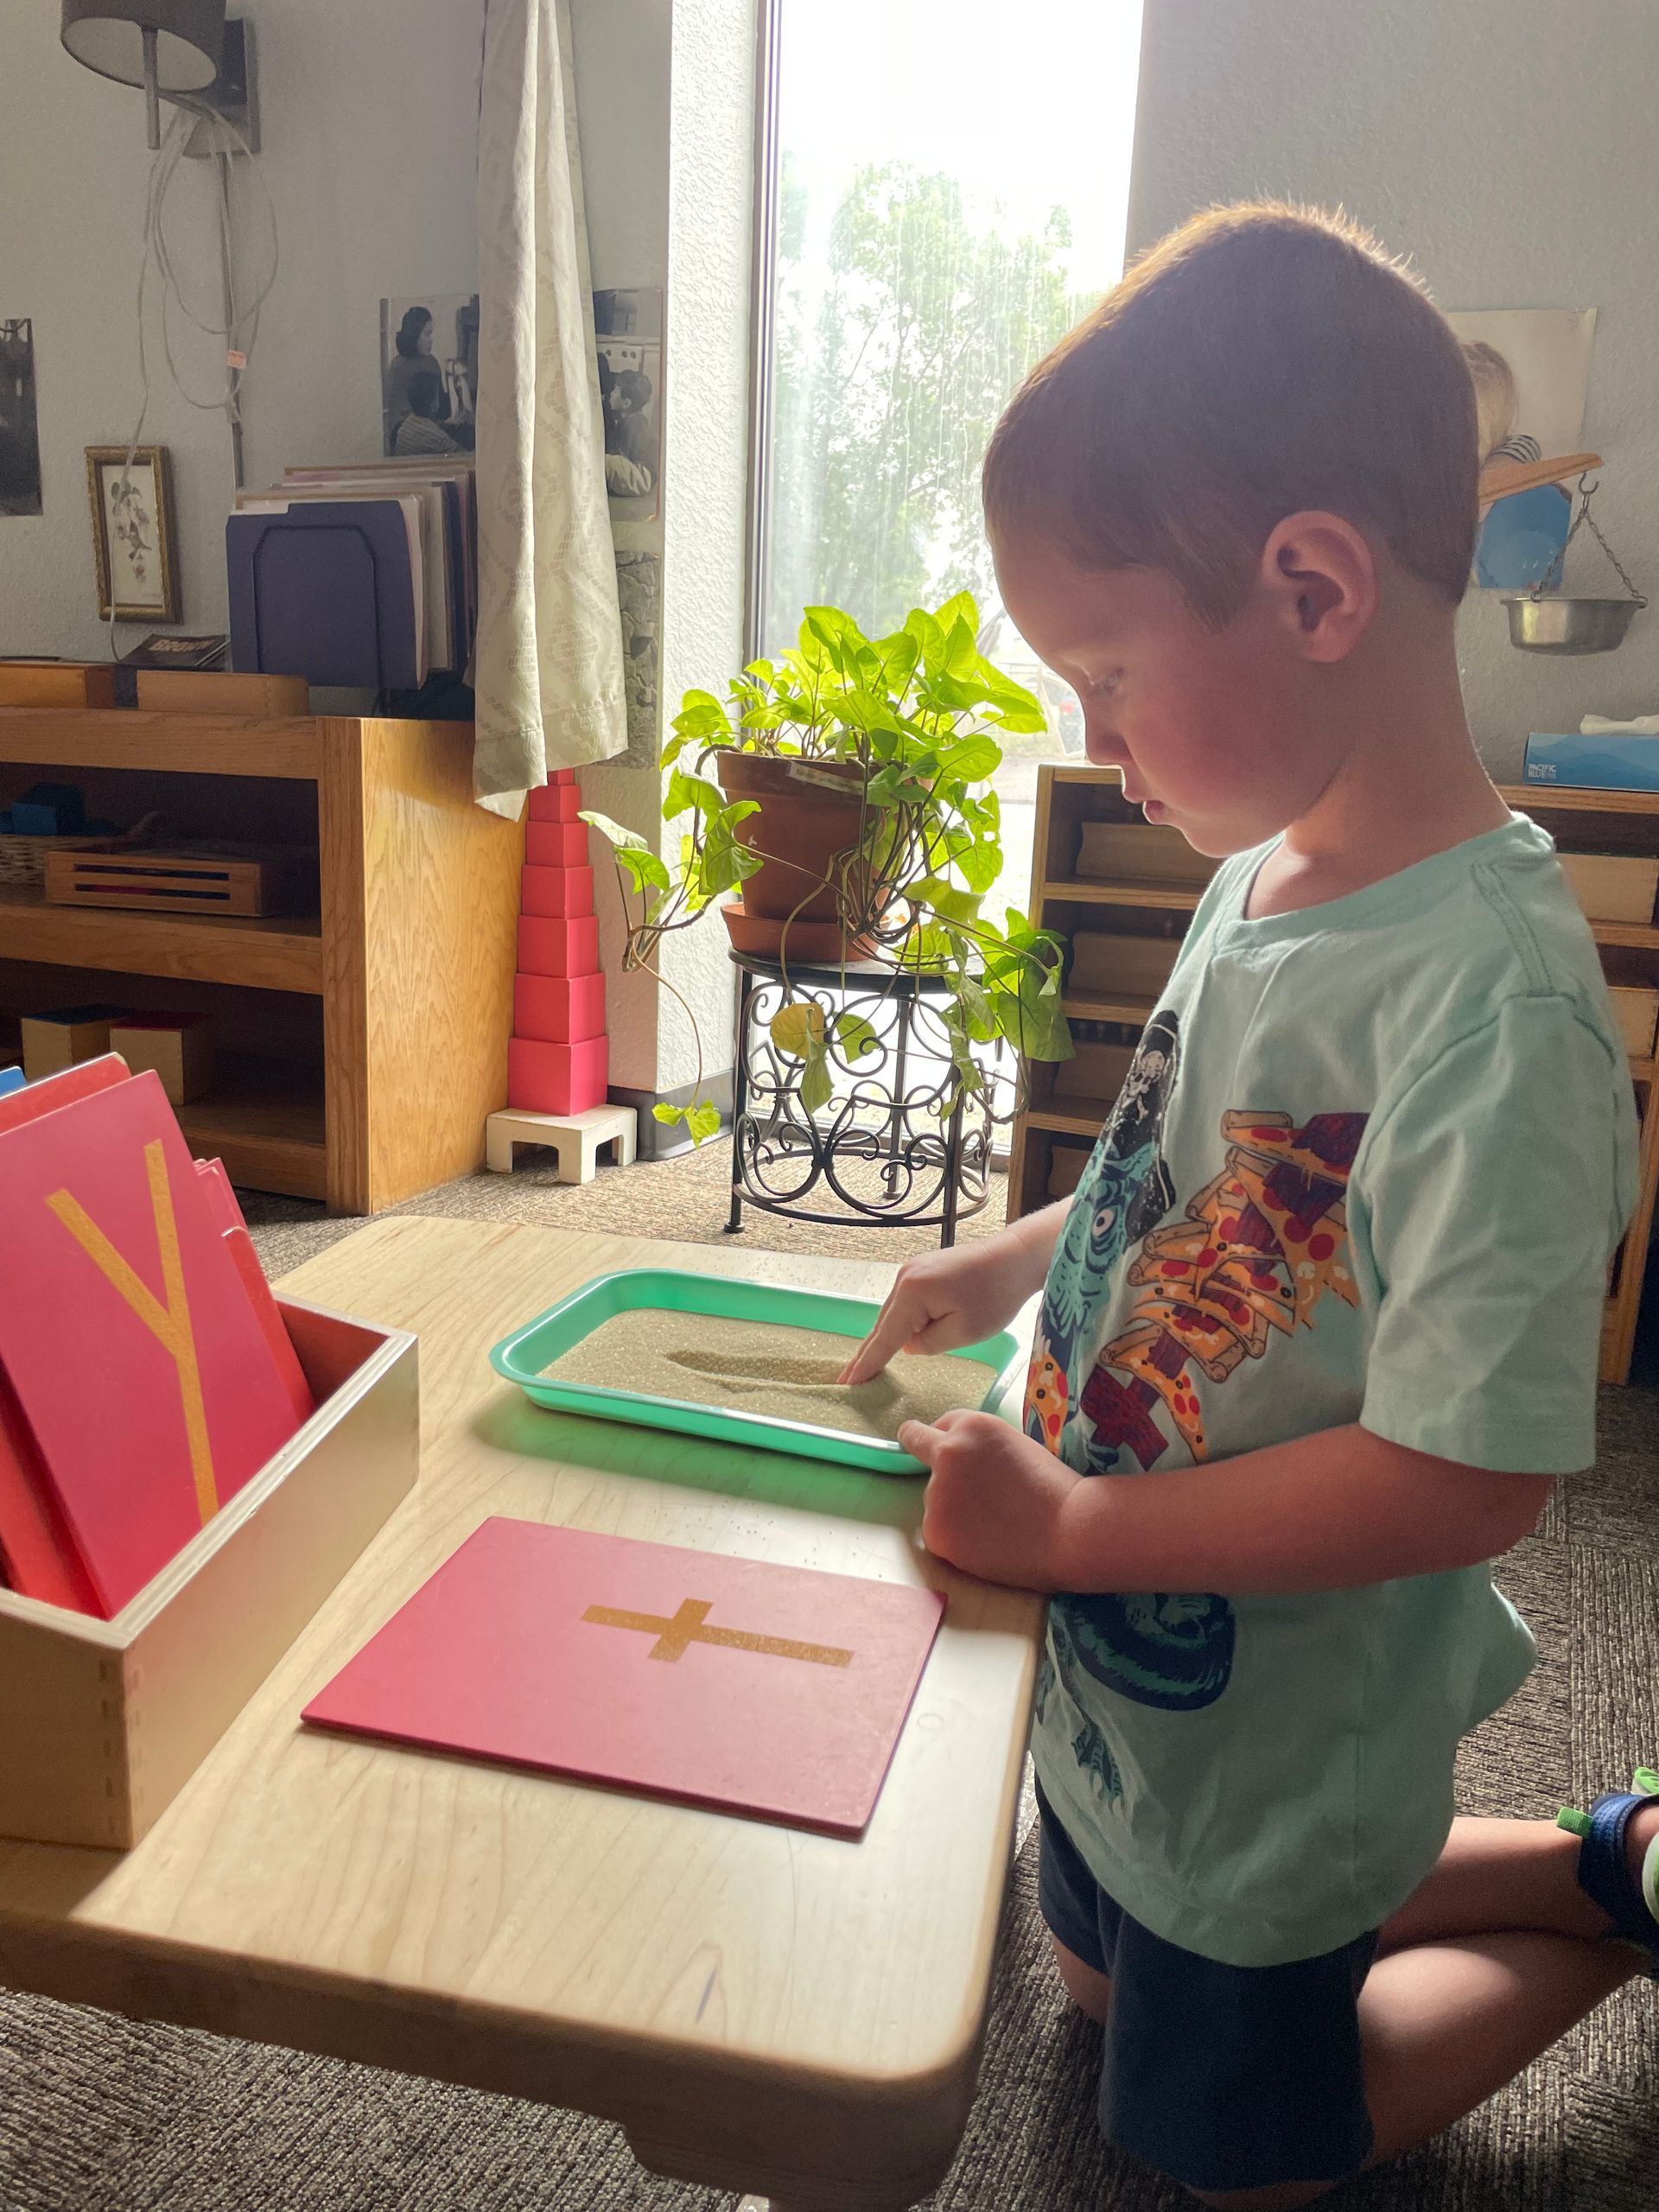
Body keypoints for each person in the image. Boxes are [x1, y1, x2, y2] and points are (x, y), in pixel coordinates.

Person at [836, 202, 1654, 2209]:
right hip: (1131, 1664)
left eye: (1106, 672)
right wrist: (1001, 1259)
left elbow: (1472, 1479)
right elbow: (1165, 1173)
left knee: (1239, 2150)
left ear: (1309, 590)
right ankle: (1587, 1852)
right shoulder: (1256, 875)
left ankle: (1621, 1930)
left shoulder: (1495, 1004)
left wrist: (1083, 1526)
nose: (1091, 742)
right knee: (1093, 1984)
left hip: (1277, 1695)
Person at [392, 367, 461, 458]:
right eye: (438, 396)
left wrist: (447, 424)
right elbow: (467, 458)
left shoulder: (406, 424)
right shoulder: (436, 437)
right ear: (433, 404)